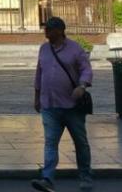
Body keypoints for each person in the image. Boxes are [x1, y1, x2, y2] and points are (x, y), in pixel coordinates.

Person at [32, 16, 93, 191]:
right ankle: (47, 179)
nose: (46, 31)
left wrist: (82, 86)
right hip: (50, 105)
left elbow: (86, 69)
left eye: (49, 29)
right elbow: (39, 73)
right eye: (46, 28)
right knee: (50, 143)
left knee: (80, 142)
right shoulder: (44, 49)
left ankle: (85, 176)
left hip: (72, 106)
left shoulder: (75, 49)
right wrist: (37, 97)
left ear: (59, 30)